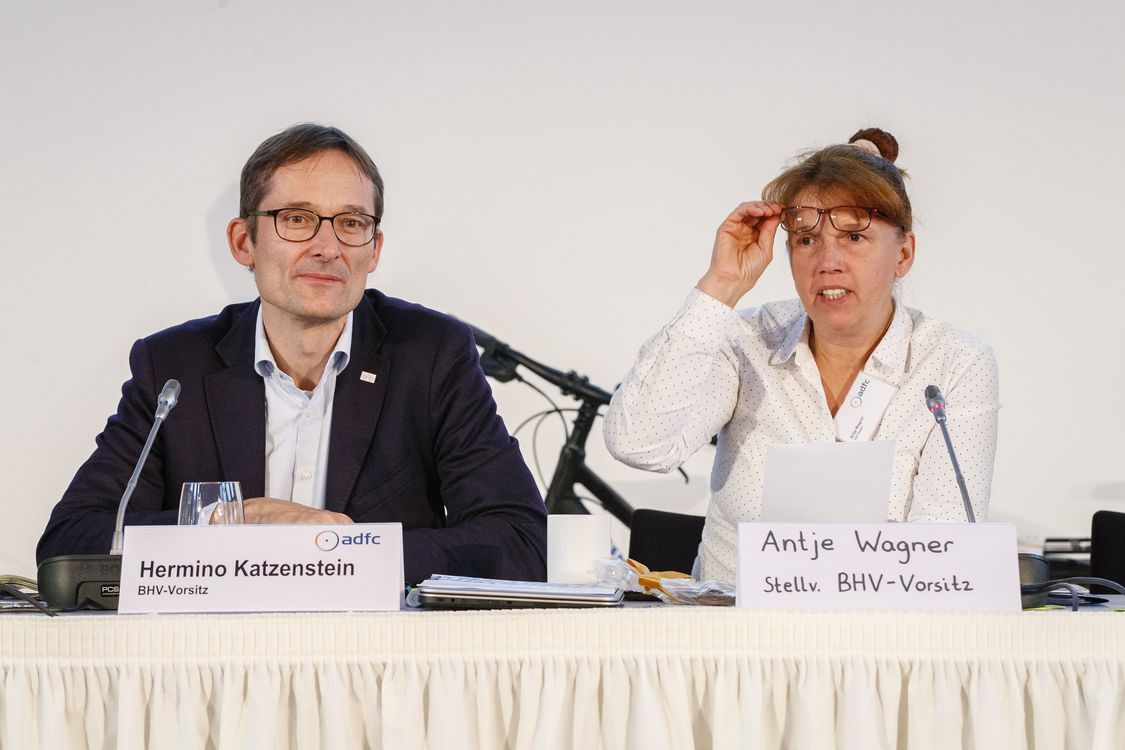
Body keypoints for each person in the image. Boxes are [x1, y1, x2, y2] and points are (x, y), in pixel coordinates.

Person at [37, 123, 547, 584]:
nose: (328, 247)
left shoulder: (431, 355)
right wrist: (240, 521)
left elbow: (521, 541)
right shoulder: (175, 366)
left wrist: (342, 554)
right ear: (244, 242)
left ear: (374, 249)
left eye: (350, 223)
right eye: (297, 219)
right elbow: (74, 540)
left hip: (377, 663)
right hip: (214, 663)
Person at [603, 128, 999, 584]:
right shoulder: (746, 339)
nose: (827, 261)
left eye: (854, 237)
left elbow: (944, 542)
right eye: (807, 239)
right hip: (733, 640)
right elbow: (638, 444)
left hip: (881, 639)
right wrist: (720, 288)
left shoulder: (954, 362)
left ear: (904, 254)